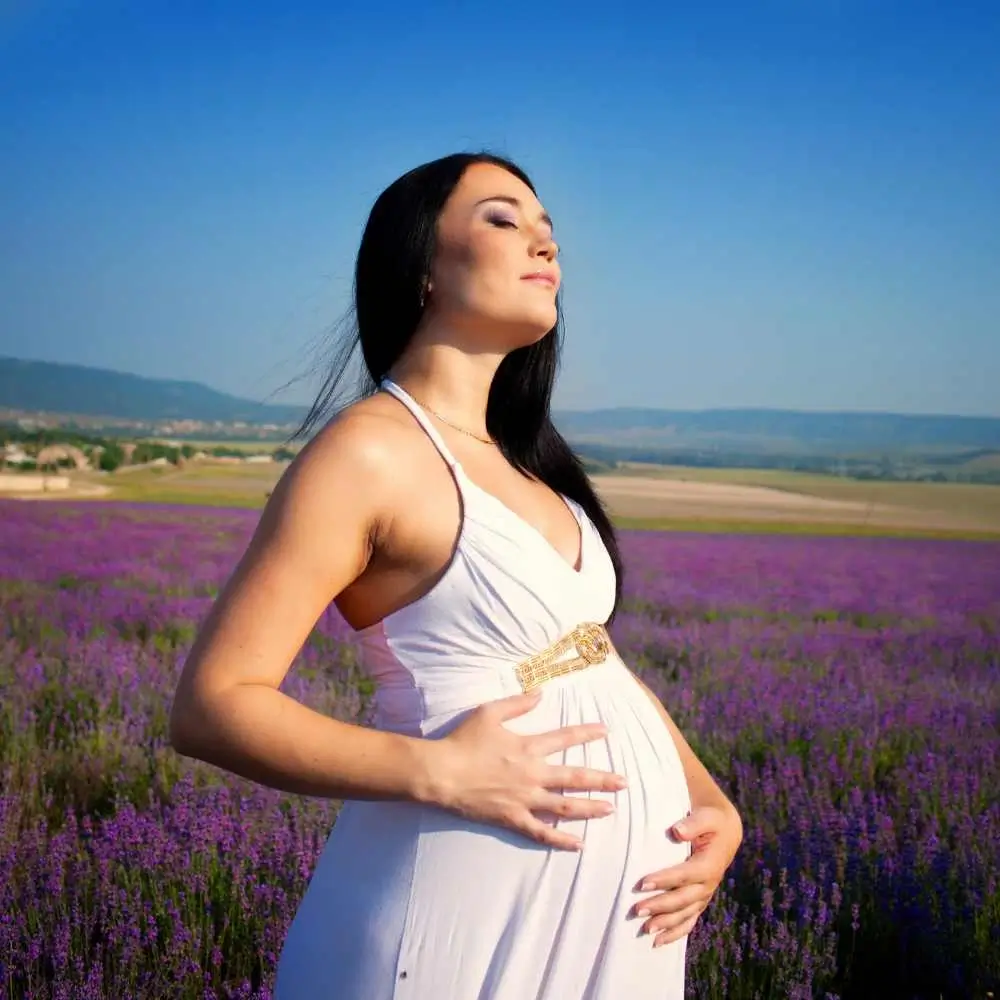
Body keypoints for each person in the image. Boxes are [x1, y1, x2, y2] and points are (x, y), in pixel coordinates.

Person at [168, 152, 743, 999]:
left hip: (622, 921)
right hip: (459, 897)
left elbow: (589, 659)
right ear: (423, 268)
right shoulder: (368, 452)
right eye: (505, 220)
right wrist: (439, 772)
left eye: (551, 234)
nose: (545, 247)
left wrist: (711, 802)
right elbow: (212, 706)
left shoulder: (530, 467)